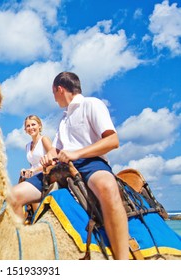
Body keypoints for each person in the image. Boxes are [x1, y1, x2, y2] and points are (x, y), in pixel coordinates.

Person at [39, 71, 129, 260]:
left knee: (108, 187)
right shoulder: (63, 119)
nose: (54, 99)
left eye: (53, 93)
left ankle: (123, 263)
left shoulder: (92, 104)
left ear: (59, 89)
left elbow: (113, 140)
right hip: (63, 168)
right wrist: (48, 157)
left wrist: (77, 153)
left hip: (91, 163)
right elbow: (56, 150)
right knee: (19, 194)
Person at [9, 115, 53, 221]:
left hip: (45, 175)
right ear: (25, 130)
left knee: (37, 213)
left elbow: (53, 159)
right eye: (28, 126)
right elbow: (32, 164)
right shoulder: (27, 146)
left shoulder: (44, 139)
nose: (31, 128)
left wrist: (34, 170)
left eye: (33, 124)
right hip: (33, 177)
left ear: (39, 126)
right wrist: (26, 171)